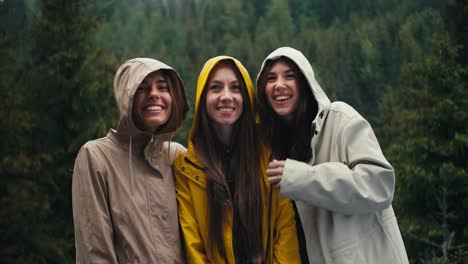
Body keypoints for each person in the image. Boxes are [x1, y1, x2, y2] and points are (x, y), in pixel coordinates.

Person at [256, 47, 409, 264]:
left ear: (306, 83)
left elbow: (380, 184)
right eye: (271, 78)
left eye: (290, 76)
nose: (279, 84)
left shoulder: (340, 119)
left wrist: (302, 178)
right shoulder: (268, 147)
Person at [173, 56, 301, 263]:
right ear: (202, 98)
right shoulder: (186, 168)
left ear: (247, 96)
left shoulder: (269, 156)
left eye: (235, 88)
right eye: (215, 88)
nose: (226, 96)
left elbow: (285, 229)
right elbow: (193, 244)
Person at [72, 58, 189, 263]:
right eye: (142, 88)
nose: (154, 94)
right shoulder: (96, 156)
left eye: (162, 87)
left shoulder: (176, 156)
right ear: (126, 97)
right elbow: (94, 251)